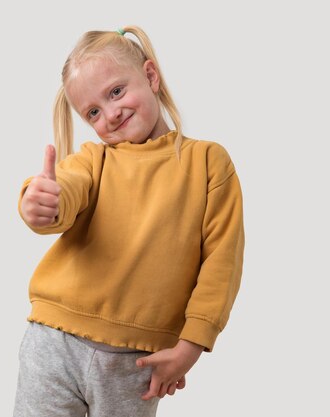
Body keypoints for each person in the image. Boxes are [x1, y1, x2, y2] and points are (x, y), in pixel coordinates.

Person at [13, 25, 245, 417]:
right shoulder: (94, 160)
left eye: (116, 92)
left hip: (135, 362)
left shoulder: (208, 163)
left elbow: (221, 264)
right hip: (52, 343)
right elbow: (66, 189)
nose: (111, 113)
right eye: (93, 112)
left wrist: (190, 347)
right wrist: (40, 203)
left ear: (150, 76)